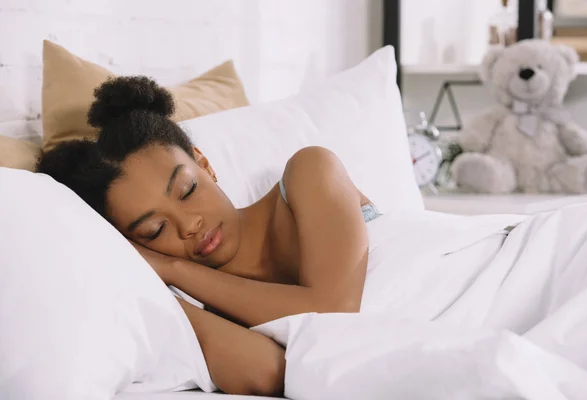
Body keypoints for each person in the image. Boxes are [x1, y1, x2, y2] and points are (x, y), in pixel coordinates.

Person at [36, 76, 384, 396]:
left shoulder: (310, 171)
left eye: (187, 190)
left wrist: (176, 268)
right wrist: (163, 284)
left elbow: (333, 314)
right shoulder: (210, 305)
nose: (188, 226)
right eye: (155, 230)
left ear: (205, 165)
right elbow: (269, 374)